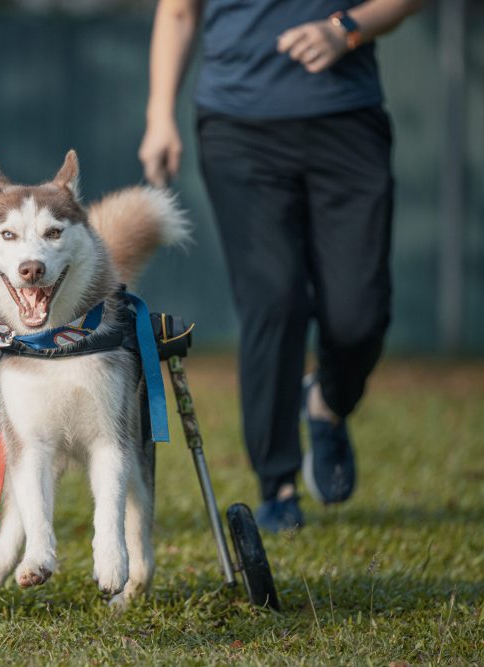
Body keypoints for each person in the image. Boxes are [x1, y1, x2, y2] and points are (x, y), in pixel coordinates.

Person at [140, 0, 425, 532]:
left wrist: (346, 28)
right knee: (273, 300)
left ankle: (328, 403)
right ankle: (278, 485)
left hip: (347, 122)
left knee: (359, 315)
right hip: (238, 128)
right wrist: (160, 115)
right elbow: (178, 13)